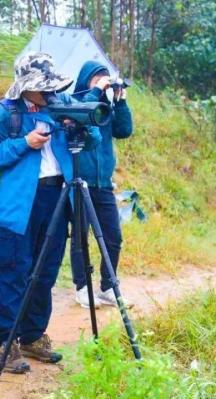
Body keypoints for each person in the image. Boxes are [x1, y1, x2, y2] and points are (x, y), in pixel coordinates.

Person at [0, 52, 101, 374]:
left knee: (45, 272)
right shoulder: (6, 114)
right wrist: (24, 143)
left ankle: (32, 335)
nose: (48, 93)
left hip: (58, 198)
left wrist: (80, 125)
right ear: (25, 86)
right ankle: (7, 340)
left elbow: (94, 138)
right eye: (41, 88)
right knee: (13, 270)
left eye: (50, 87)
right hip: (19, 205)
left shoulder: (60, 104)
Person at [70, 61, 133, 309]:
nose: (103, 82)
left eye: (106, 78)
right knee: (80, 237)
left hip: (104, 183)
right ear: (87, 79)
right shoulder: (76, 102)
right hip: (79, 182)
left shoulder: (105, 108)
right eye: (98, 78)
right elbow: (80, 114)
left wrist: (120, 100)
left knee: (113, 237)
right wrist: (96, 91)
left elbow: (124, 130)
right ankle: (82, 288)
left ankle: (108, 286)